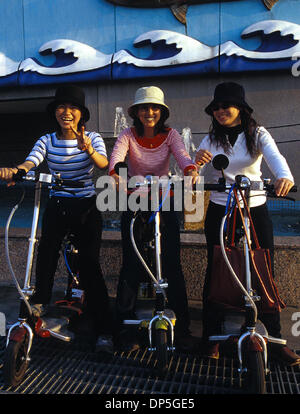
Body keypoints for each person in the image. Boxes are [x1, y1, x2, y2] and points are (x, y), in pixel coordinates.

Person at [0, 84, 114, 352]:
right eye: (62, 107)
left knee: (89, 264)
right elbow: (32, 161)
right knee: (46, 251)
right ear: (55, 113)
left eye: (73, 108)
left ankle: (105, 329)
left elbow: (103, 164)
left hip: (86, 206)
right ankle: (39, 301)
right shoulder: (46, 140)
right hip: (58, 204)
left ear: (81, 114)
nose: (67, 113)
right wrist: (15, 171)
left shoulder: (93, 138)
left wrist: (87, 149)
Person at [195, 81, 300, 366]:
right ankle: (211, 336)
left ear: (240, 108)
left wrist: (283, 176)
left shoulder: (258, 134)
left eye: (225, 106)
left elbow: (276, 159)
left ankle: (275, 338)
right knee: (216, 267)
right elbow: (193, 172)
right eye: (215, 107)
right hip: (221, 209)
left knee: (265, 267)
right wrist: (194, 164)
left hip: (254, 208)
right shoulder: (211, 138)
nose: (220, 111)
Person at [109, 86, 199, 351]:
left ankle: (181, 327)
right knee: (131, 264)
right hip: (135, 200)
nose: (149, 112)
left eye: (154, 108)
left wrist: (191, 170)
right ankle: (125, 328)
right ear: (136, 112)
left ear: (161, 112)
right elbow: (116, 158)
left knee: (171, 263)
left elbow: (183, 157)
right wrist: (116, 174)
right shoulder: (128, 134)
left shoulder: (171, 135)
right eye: (144, 108)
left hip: (163, 201)